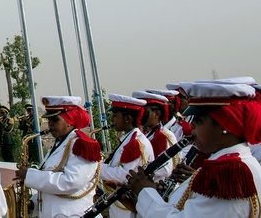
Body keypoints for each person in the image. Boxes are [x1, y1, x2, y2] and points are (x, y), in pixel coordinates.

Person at [129, 81, 261, 216]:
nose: (191, 125)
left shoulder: (228, 173)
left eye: (199, 120)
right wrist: (148, 201)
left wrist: (145, 194)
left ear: (224, 127)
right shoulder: (234, 163)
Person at [16, 96, 100, 218]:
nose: (50, 124)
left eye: (55, 120)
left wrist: (30, 175)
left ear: (69, 120)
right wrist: (33, 203)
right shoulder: (58, 145)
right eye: (49, 120)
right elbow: (51, 185)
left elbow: (71, 182)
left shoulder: (81, 145)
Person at [101, 94, 153, 218]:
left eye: (115, 116)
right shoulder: (128, 140)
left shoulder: (136, 143)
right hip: (121, 203)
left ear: (127, 118)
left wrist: (96, 168)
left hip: (128, 206)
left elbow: (124, 174)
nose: (112, 120)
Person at [134, 91, 177, 182]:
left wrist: (135, 169)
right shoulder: (146, 134)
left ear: (157, 114)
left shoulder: (164, 135)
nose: (141, 115)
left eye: (144, 112)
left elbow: (165, 169)